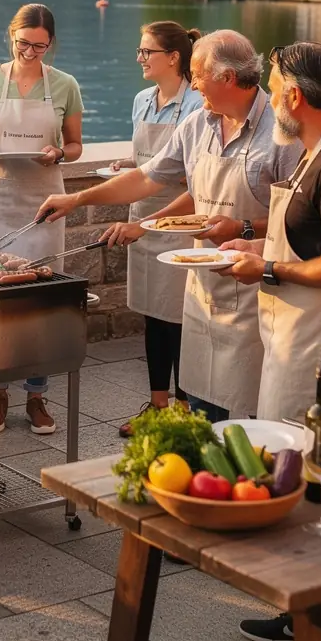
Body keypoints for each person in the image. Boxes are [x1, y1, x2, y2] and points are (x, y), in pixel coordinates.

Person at [38, 30, 302, 422]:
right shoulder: (197, 125)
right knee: (199, 405)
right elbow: (146, 178)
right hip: (202, 289)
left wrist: (242, 227)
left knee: (249, 413)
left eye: (198, 75)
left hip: (256, 293)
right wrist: (77, 199)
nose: (193, 84)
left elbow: (297, 218)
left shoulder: (283, 134)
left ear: (227, 78)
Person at [216, 42, 321, 641]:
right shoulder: (317, 153)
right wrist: (257, 242)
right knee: (307, 476)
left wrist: (271, 271)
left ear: (294, 97)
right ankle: (307, 613)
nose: (271, 93)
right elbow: (309, 235)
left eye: (277, 83)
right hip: (308, 334)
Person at [0, 3, 83, 435]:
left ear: (51, 45)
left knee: (40, 301)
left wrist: (58, 153)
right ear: (10, 37)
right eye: (23, 44)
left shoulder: (65, 85)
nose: (31, 53)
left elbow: (75, 146)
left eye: (40, 46)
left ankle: (36, 395)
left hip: (43, 198)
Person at [105, 22, 204, 437]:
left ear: (174, 58)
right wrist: (131, 167)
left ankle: (185, 405)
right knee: (152, 313)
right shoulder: (142, 100)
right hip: (141, 215)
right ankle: (157, 404)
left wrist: (155, 178)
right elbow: (147, 160)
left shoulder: (199, 104)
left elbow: (197, 176)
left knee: (179, 316)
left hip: (178, 219)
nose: (140, 58)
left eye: (147, 51)